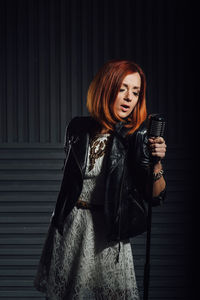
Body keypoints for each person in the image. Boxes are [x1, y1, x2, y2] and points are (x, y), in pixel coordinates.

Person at [34, 59, 166, 300]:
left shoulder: (135, 137)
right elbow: (69, 184)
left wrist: (156, 162)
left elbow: (155, 196)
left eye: (135, 92)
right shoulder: (77, 128)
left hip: (106, 234)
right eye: (123, 88)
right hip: (71, 228)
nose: (129, 97)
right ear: (106, 88)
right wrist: (58, 224)